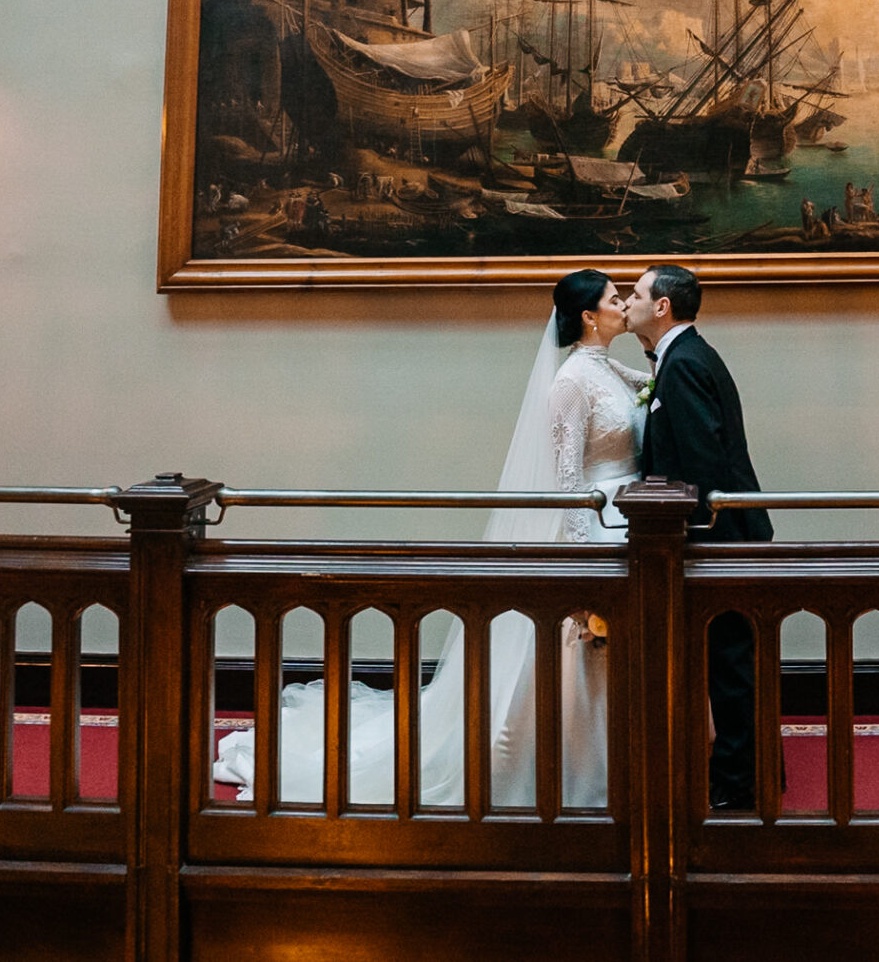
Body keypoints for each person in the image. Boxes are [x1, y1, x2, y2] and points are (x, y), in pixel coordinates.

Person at [211, 269, 645, 809]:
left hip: (632, 523)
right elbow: (566, 483)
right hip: (593, 528)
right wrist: (580, 566)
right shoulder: (571, 383)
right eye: (613, 297)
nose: (624, 302)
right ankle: (576, 777)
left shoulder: (616, 372)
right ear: (588, 314)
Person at [622, 263, 772, 810]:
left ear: (663, 306)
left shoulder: (683, 364)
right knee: (732, 664)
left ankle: (739, 787)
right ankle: (749, 773)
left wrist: (686, 539)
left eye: (636, 293)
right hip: (725, 532)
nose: (626, 301)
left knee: (730, 667)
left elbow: (703, 465)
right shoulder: (685, 355)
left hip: (719, 537)